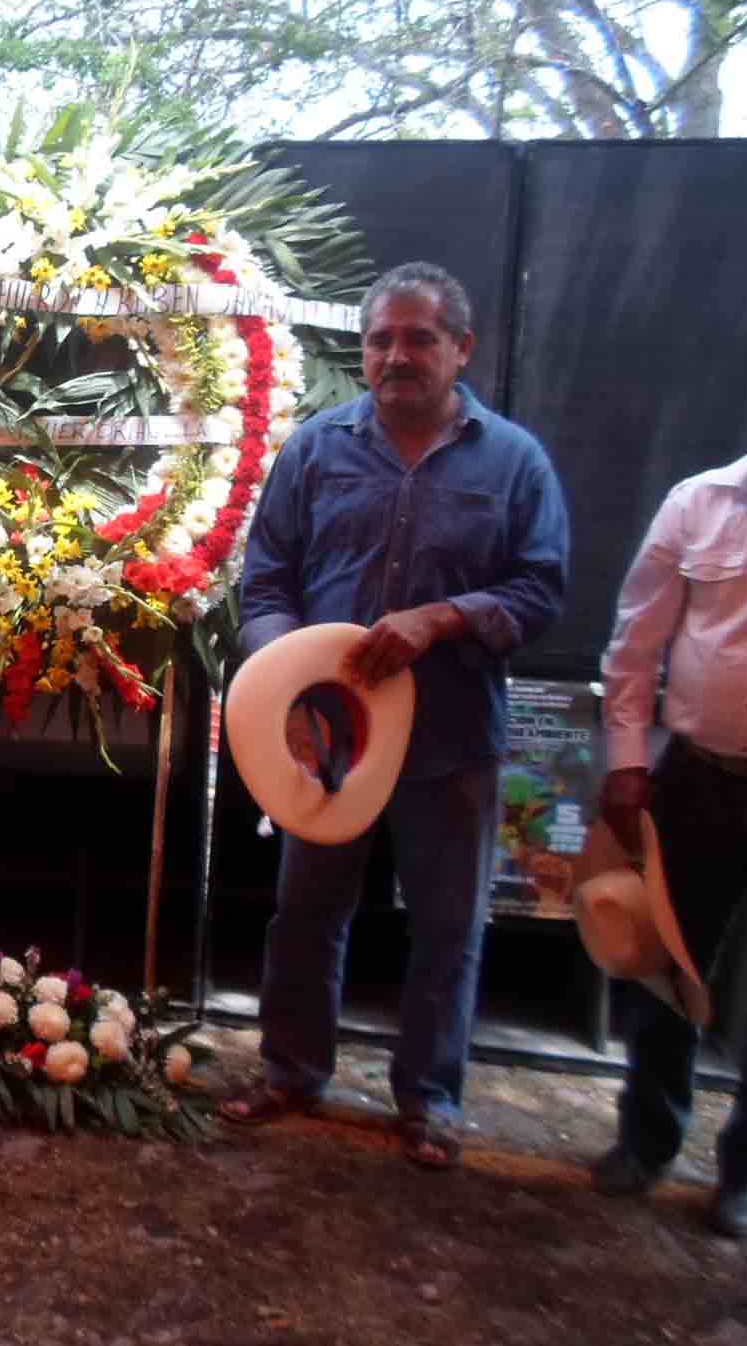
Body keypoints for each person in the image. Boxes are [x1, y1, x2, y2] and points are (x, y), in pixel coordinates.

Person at [221, 261, 570, 1170]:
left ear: (463, 348)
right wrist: (285, 688)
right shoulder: (314, 451)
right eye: (380, 339)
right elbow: (265, 581)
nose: (396, 356)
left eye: (419, 338)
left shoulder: (515, 461)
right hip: (327, 740)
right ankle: (293, 1068)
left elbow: (541, 590)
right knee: (304, 914)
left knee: (448, 928)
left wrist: (445, 618)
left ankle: (430, 1099)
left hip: (451, 742)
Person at [590, 335, 747, 1239]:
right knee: (666, 969)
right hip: (698, 781)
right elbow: (634, 646)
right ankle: (647, 1139)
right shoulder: (701, 503)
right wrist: (627, 762)